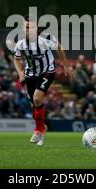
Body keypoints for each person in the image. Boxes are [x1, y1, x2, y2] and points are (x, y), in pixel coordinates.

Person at [13, 15, 73, 146]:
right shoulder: (20, 44)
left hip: (47, 72)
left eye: (31, 27)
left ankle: (38, 130)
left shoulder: (46, 39)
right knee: (34, 105)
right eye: (26, 27)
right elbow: (16, 59)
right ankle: (41, 128)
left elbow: (59, 48)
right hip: (30, 75)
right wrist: (20, 72)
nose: (28, 29)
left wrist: (65, 66)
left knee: (37, 99)